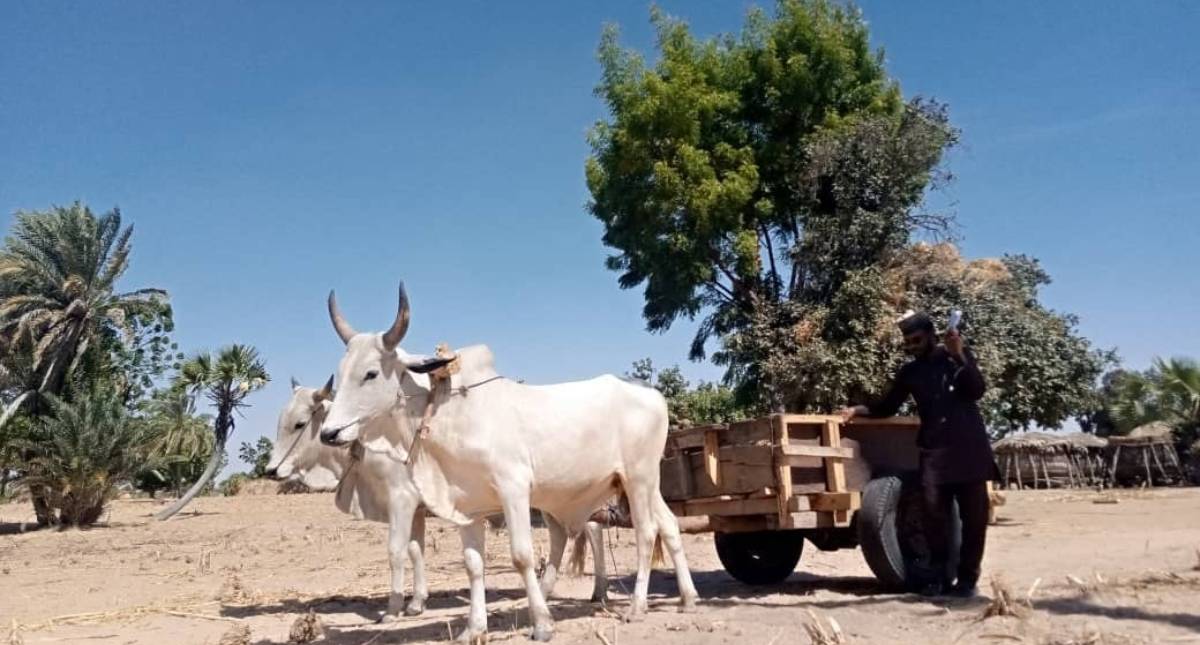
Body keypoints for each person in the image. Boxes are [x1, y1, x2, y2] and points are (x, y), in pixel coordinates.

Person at [839, 311, 999, 598]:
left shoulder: (956, 356)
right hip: (934, 454)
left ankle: (967, 581)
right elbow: (887, 406)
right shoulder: (909, 372)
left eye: (916, 339)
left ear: (931, 334)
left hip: (970, 451)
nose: (912, 345)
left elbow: (976, 390)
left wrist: (960, 355)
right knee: (933, 518)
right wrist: (859, 409)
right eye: (907, 341)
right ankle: (939, 577)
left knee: (974, 521)